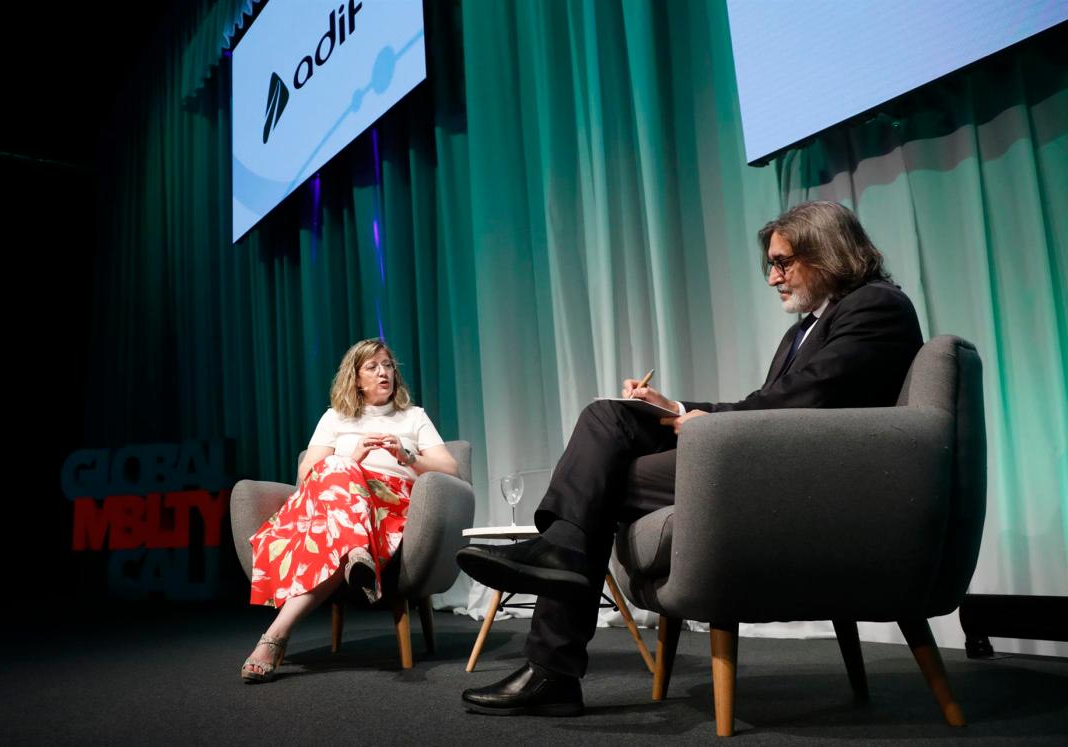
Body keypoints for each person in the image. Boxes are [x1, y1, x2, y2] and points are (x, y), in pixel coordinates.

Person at [456, 201, 924, 715]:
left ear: (828, 252)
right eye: (771, 264)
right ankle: (561, 562)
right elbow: (771, 404)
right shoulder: (804, 329)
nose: (772, 278)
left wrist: (714, 425)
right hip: (768, 456)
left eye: (782, 262)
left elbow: (809, 401)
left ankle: (553, 657)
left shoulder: (877, 306)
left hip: (808, 481)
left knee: (601, 483)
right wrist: (676, 409)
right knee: (609, 417)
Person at [241, 338, 459, 683]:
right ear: (356, 378)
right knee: (337, 468)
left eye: (387, 365)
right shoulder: (335, 418)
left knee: (334, 524)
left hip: (388, 508)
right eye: (372, 367)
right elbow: (307, 473)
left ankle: (275, 637)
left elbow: (451, 470)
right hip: (334, 503)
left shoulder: (413, 417)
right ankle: (357, 551)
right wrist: (352, 458)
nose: (383, 372)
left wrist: (408, 456)